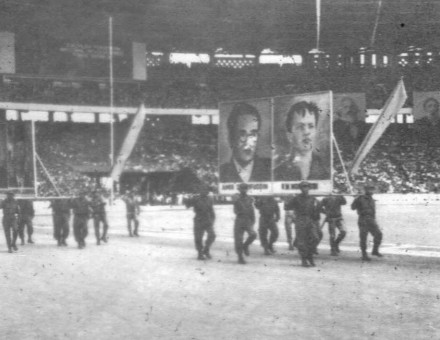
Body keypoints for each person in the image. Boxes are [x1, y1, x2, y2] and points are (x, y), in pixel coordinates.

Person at [274, 101, 330, 181]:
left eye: (311, 126)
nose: (306, 132)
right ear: (289, 136)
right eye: (300, 127)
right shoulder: (277, 174)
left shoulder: (326, 171)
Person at [220, 102, 271, 183]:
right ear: (231, 138)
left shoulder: (270, 169)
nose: (248, 142)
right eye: (242, 134)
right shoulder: (222, 173)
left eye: (253, 134)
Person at [284, 181, 320, 267]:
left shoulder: (312, 199)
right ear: (300, 189)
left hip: (310, 220)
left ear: (309, 188)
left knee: (315, 238)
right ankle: (304, 259)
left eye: (307, 187)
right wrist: (287, 200)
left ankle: (309, 255)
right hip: (300, 220)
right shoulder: (296, 198)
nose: (305, 189)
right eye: (303, 187)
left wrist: (317, 211)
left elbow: (316, 211)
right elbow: (287, 207)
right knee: (302, 241)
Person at [351, 183, 383, 261]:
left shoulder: (371, 199)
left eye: (372, 189)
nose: (372, 191)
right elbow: (352, 207)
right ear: (366, 190)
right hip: (363, 220)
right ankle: (364, 255)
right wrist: (356, 199)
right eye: (370, 189)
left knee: (379, 234)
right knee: (363, 238)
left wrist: (374, 219)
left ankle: (374, 251)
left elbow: (373, 210)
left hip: (371, 220)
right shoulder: (360, 198)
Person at [185, 185, 216, 260]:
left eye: (206, 190)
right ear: (200, 191)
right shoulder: (196, 199)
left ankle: (206, 249)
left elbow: (211, 210)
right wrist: (187, 200)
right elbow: (187, 206)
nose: (204, 192)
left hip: (207, 219)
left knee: (212, 235)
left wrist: (213, 219)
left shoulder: (210, 199)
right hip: (199, 219)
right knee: (198, 238)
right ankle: (200, 253)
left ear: (208, 192)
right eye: (202, 190)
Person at [233, 183, 257, 264]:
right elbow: (235, 210)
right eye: (242, 188)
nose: (243, 190)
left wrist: (253, 220)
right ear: (239, 189)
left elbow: (252, 209)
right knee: (238, 239)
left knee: (253, 235)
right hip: (239, 219)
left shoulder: (250, 199)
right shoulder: (236, 197)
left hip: (248, 220)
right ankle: (240, 257)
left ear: (247, 189)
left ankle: (245, 245)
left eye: (245, 188)